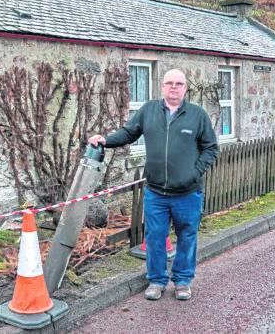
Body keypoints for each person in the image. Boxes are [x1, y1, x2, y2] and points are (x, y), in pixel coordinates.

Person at [89, 68, 218, 301]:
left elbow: (211, 148)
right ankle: (157, 281)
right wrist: (105, 140)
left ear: (185, 88)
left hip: (188, 193)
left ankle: (182, 281)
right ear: (162, 86)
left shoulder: (198, 115)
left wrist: (194, 172)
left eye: (179, 83)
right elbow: (128, 133)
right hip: (156, 193)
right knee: (155, 237)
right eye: (170, 83)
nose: (174, 87)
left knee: (187, 237)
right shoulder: (149, 110)